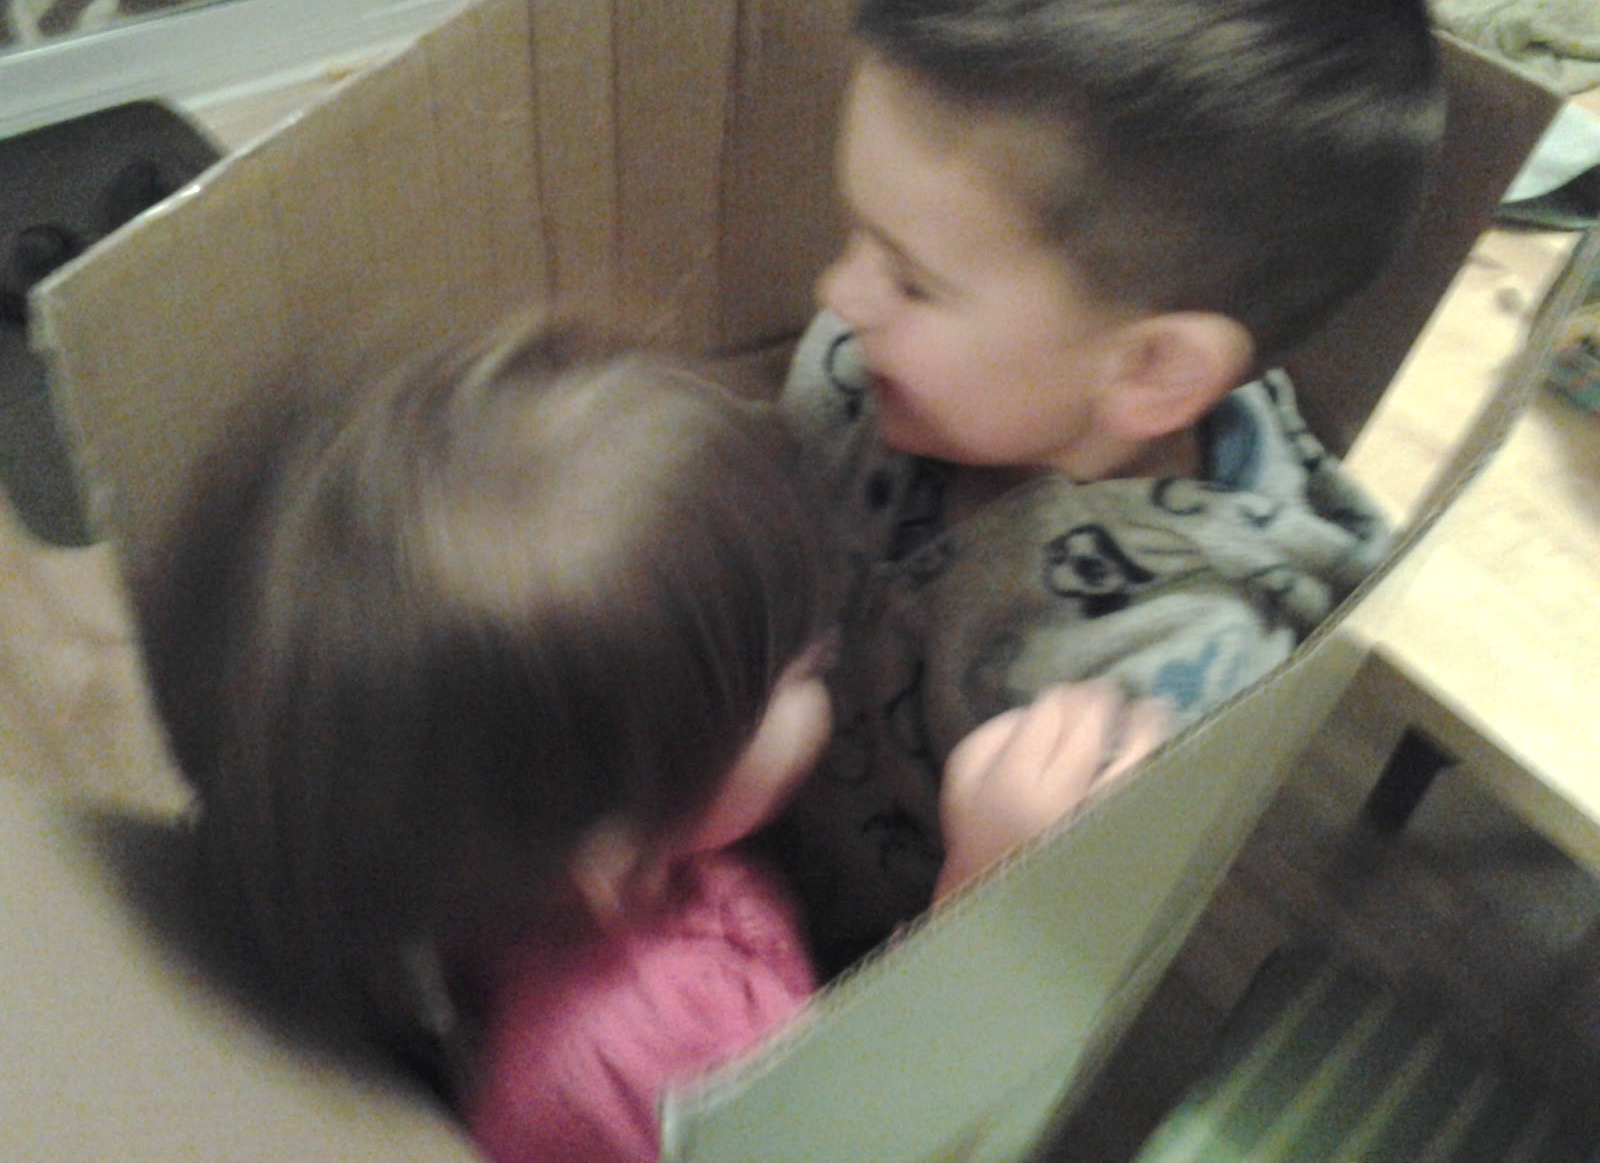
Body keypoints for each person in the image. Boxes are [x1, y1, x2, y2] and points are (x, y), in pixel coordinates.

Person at [137, 310, 1163, 1163]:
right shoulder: (645, 1052)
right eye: (790, 672)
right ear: (612, 852)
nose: (826, 642)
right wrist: (980, 894)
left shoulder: (478, 850)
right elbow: (879, 1138)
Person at [774, 0, 1447, 973]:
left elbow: (1015, 994)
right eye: (853, 233)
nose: (840, 293)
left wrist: (992, 879)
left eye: (910, 279)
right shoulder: (878, 367)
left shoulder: (1164, 677)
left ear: (1151, 371)